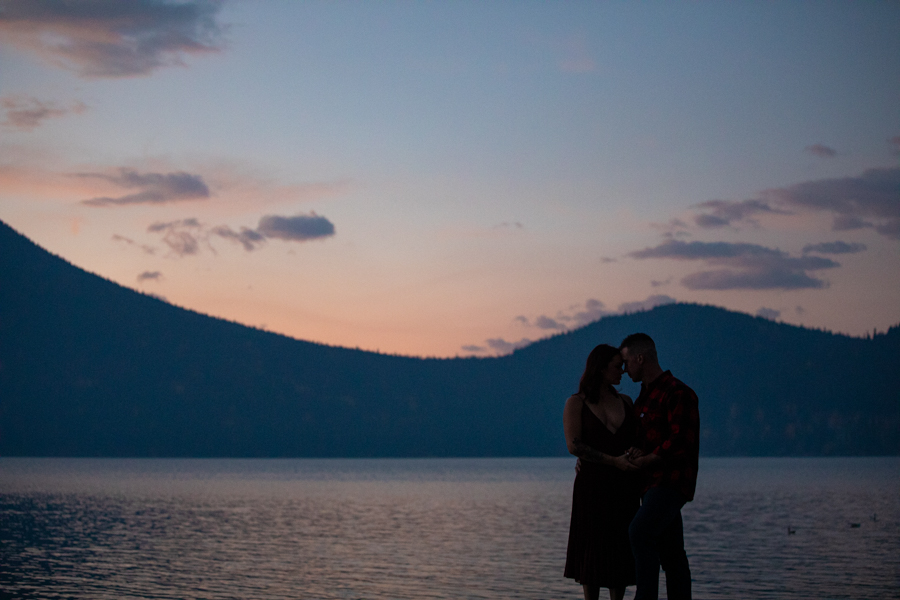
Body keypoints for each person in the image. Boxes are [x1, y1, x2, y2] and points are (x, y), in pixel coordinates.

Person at [620, 333, 699, 600]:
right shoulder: (643, 399)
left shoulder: (678, 393)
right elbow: (642, 440)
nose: (624, 368)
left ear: (640, 358)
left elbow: (678, 442)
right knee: (671, 551)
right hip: (649, 483)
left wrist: (646, 459)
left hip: (670, 482)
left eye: (626, 361)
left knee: (639, 532)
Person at [563, 344, 641, 600]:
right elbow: (574, 445)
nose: (622, 371)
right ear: (600, 367)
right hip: (592, 488)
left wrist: (631, 457)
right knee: (592, 555)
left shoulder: (627, 402)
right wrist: (612, 461)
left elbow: (639, 440)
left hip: (624, 488)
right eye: (617, 366)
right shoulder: (576, 403)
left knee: (621, 552)